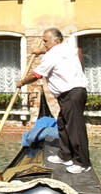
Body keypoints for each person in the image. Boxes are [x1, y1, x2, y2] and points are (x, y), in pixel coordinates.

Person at [18, 27, 90, 174]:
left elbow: (37, 74)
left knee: (75, 129)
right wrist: (41, 51)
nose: (43, 44)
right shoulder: (67, 48)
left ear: (55, 40)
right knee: (63, 124)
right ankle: (65, 155)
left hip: (71, 94)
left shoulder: (51, 56)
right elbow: (56, 53)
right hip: (73, 93)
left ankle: (82, 163)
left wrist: (22, 82)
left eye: (45, 41)